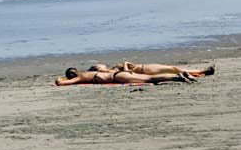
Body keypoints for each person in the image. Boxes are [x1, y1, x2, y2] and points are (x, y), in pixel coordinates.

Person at [55, 67, 197, 86]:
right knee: (151, 78)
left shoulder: (80, 77)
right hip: (120, 74)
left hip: (119, 78)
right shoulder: (86, 73)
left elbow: (61, 84)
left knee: (150, 79)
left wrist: (60, 80)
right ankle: (176, 75)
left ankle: (177, 77)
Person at [88, 62, 215, 77]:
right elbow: (126, 73)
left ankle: (200, 72)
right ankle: (203, 71)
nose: (101, 64)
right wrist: (126, 64)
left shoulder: (110, 69)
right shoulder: (107, 72)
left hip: (145, 68)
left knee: (174, 69)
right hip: (145, 70)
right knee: (174, 69)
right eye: (98, 65)